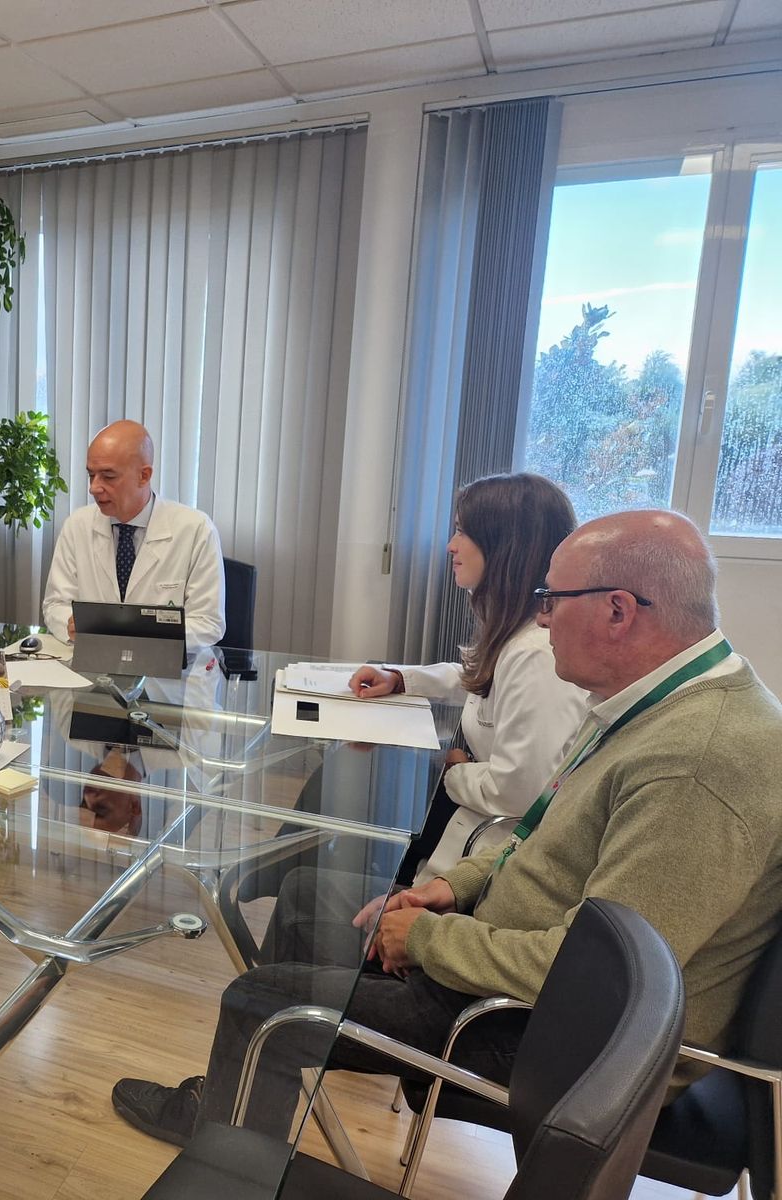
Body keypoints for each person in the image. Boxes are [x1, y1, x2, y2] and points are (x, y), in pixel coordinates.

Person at [112, 509, 782, 1147]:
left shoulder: (697, 766)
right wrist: (450, 889)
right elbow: (542, 839)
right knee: (308, 901)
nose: (541, 620)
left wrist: (432, 939)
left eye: (553, 599)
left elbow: (599, 979)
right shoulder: (649, 702)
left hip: (559, 1038)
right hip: (510, 964)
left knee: (261, 1001)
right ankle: (251, 1120)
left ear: (618, 610)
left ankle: (237, 1136)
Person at [348, 473, 590, 885]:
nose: (450, 546)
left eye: (461, 531)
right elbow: (480, 679)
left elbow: (521, 790)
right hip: (468, 827)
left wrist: (452, 770)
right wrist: (401, 679)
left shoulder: (536, 655)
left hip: (491, 860)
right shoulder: (520, 634)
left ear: (504, 545)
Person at [41, 420, 225, 651]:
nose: (94, 488)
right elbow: (55, 604)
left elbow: (208, 623)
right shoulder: (77, 525)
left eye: (108, 476)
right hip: (93, 665)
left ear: (144, 476)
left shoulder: (196, 529)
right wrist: (70, 623)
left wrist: (137, 635)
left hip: (170, 676)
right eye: (91, 475)